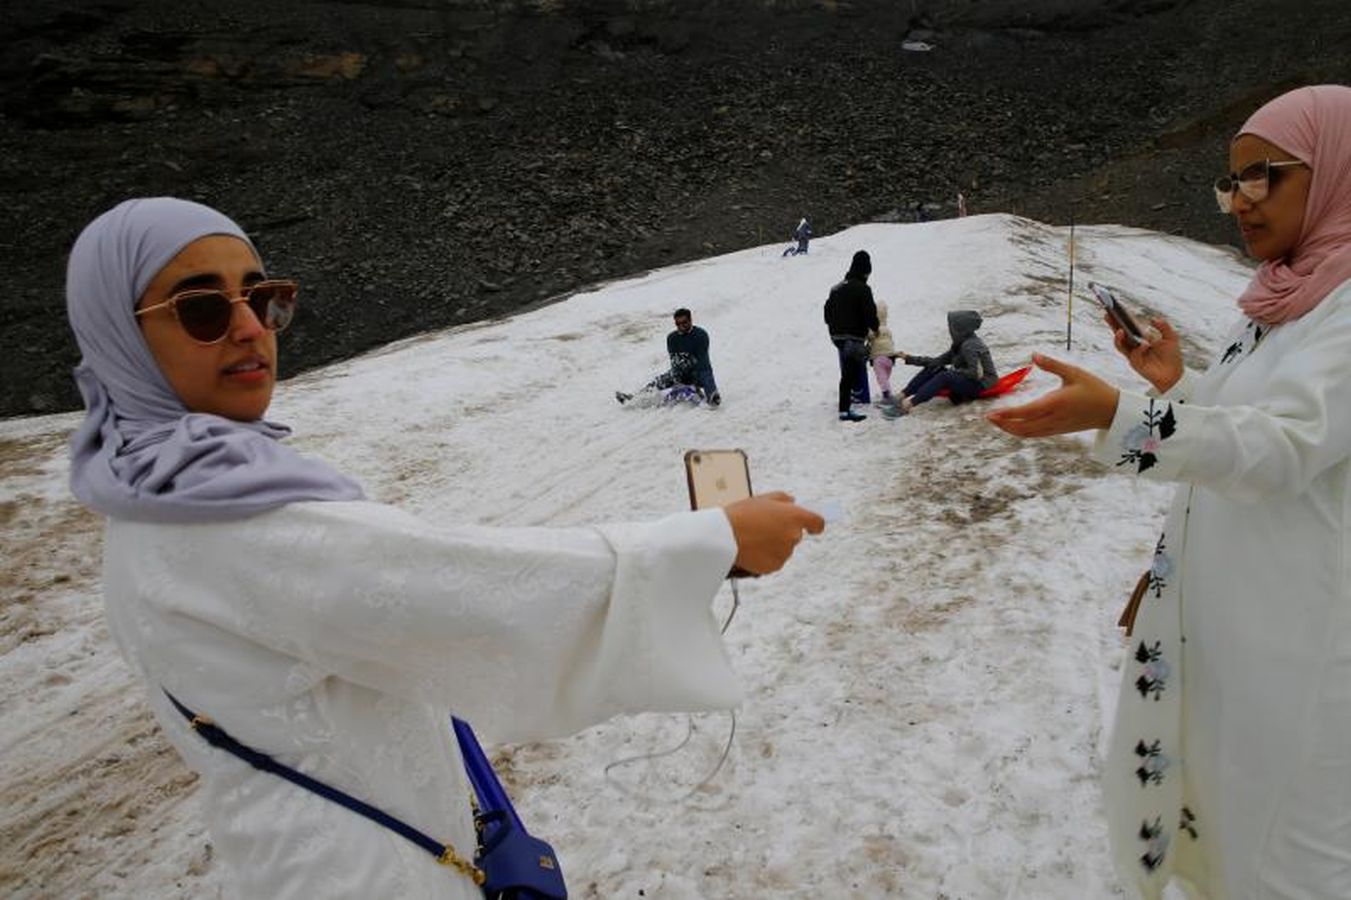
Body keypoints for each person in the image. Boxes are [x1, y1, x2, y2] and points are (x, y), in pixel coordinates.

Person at [65, 197, 825, 899]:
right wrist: (714, 542)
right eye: (201, 308)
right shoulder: (219, 519)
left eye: (262, 297)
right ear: (118, 336)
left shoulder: (154, 490)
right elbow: (461, 589)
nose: (248, 326)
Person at [987, 85, 1351, 900]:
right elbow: (1240, 429)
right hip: (1231, 617)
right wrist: (1173, 383)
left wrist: (1123, 418)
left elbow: (1282, 448)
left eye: (1262, 177)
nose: (1238, 204)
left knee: (1289, 851)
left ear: (1333, 171)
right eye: (1229, 185)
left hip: (1300, 641)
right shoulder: (1286, 300)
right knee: (1224, 826)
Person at [883, 309, 997, 418]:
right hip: (969, 380)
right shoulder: (960, 344)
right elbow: (936, 361)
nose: (949, 329)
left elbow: (975, 373)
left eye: (951, 327)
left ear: (960, 329)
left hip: (981, 384)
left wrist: (955, 372)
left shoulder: (970, 346)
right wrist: (908, 358)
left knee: (945, 376)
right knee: (935, 367)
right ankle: (901, 396)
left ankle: (907, 405)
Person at [616, 308, 721, 407]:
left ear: (690, 320)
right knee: (660, 380)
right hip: (682, 371)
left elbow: (702, 362)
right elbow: (674, 361)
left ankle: (712, 396)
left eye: (684, 322)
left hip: (699, 371)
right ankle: (634, 398)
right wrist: (677, 380)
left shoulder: (701, 335)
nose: (681, 326)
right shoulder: (672, 338)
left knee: (706, 374)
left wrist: (699, 386)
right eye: (678, 324)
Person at [824, 250, 879, 422]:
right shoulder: (864, 289)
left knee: (851, 365)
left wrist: (835, 326)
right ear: (866, 271)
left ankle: (849, 400)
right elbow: (870, 314)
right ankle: (844, 410)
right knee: (850, 370)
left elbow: (826, 313)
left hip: (836, 336)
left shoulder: (837, 287)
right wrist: (875, 328)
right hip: (852, 336)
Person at [868, 299, 899, 406]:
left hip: (878, 358)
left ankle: (887, 396)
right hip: (890, 358)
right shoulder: (887, 329)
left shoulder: (872, 330)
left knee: (882, 378)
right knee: (886, 377)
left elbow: (869, 338)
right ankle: (887, 394)